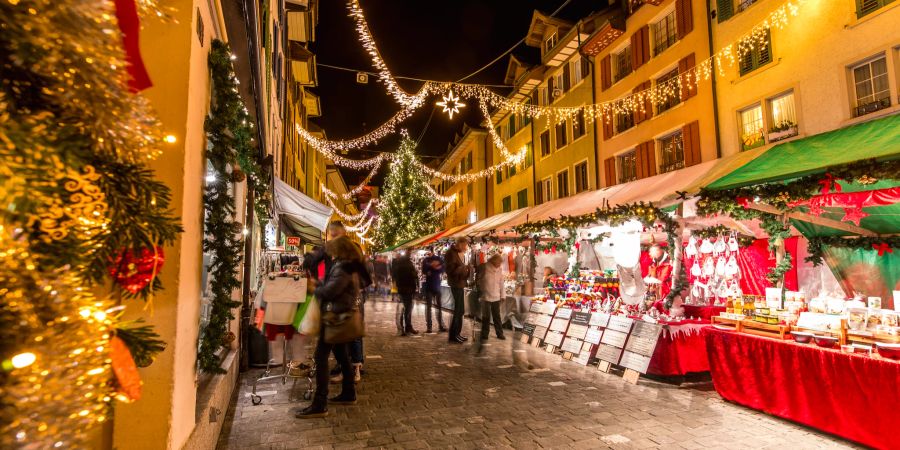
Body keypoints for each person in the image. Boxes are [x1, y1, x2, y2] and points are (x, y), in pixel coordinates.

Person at [296, 236, 365, 419]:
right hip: (339, 315)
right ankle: (349, 393)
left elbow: (332, 291)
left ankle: (320, 403)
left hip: (335, 316)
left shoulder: (343, 266)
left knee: (321, 356)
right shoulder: (346, 264)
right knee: (342, 355)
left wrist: (313, 289)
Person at [444, 237, 471, 344]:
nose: (465, 248)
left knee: (460, 310)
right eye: (464, 246)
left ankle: (457, 334)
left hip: (459, 284)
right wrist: (463, 268)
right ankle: (453, 335)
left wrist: (465, 269)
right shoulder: (451, 254)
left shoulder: (456, 253)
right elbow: (450, 270)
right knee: (458, 310)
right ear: (459, 244)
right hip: (456, 284)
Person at [478, 254, 506, 341]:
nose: (500, 264)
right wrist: (480, 292)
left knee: (497, 316)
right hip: (485, 295)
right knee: (486, 316)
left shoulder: (499, 270)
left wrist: (503, 295)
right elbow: (479, 280)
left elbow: (501, 283)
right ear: (494, 261)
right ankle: (485, 333)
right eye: (499, 262)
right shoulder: (485, 267)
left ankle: (499, 333)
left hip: (496, 296)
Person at [391, 252, 419, 336]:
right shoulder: (407, 264)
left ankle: (404, 328)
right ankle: (406, 328)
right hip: (408, 289)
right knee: (407, 309)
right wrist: (415, 274)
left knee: (404, 309)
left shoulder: (399, 264)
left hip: (403, 289)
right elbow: (412, 275)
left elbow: (395, 276)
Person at [420, 249, 446, 333]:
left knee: (438, 307)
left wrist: (432, 267)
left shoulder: (438, 259)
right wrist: (433, 266)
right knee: (429, 307)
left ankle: (440, 325)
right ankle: (429, 327)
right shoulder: (425, 260)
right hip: (429, 285)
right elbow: (424, 271)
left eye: (428, 251)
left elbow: (442, 269)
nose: (427, 253)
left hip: (436, 285)